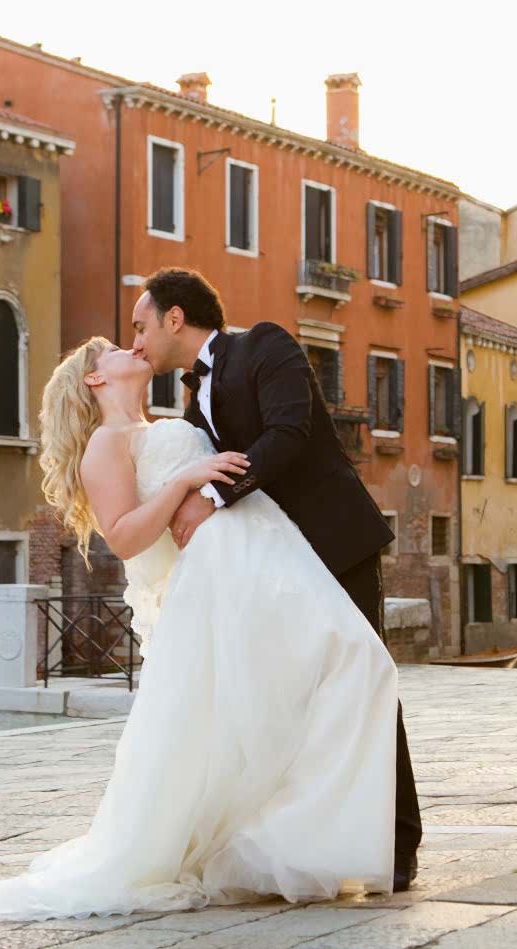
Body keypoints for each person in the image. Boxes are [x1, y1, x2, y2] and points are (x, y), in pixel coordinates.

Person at [0, 331, 400, 922]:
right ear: (95, 379)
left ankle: (292, 838)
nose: (128, 345)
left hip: (265, 554)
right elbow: (125, 535)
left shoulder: (168, 419)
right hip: (222, 575)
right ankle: (277, 845)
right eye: (110, 348)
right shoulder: (106, 443)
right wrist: (186, 482)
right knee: (327, 670)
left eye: (133, 333)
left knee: (344, 667)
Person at [149, 268, 422, 892]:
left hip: (334, 543)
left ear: (174, 318)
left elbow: (289, 434)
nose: (136, 337)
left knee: (367, 677)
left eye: (142, 324)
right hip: (274, 562)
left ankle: (400, 841)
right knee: (296, 695)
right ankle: (318, 833)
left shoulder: (265, 344)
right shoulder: (196, 401)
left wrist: (212, 498)